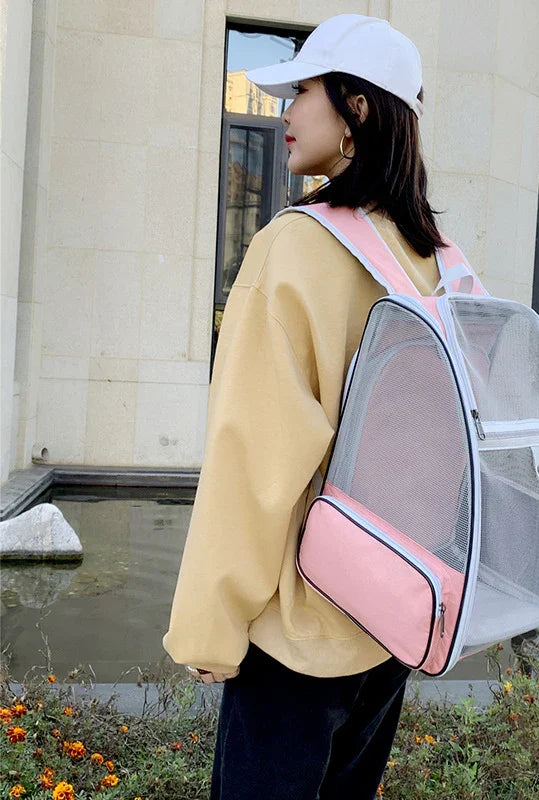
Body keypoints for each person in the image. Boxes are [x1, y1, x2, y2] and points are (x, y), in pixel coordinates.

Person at [162, 13, 446, 800]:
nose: (285, 110)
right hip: (390, 619)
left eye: (303, 91)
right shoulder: (429, 258)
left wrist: (210, 626)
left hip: (298, 634)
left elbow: (253, 459)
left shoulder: (293, 248)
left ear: (357, 108)